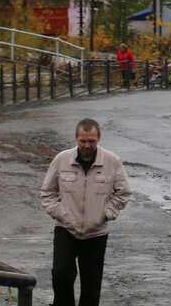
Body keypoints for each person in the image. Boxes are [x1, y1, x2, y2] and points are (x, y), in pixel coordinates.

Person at [41, 118, 130, 306]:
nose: (87, 145)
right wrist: (60, 212)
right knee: (60, 273)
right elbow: (47, 192)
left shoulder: (112, 161)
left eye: (91, 141)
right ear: (76, 138)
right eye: (83, 141)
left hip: (96, 232)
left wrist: (106, 214)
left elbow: (123, 192)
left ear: (98, 138)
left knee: (91, 284)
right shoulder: (61, 159)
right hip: (66, 228)